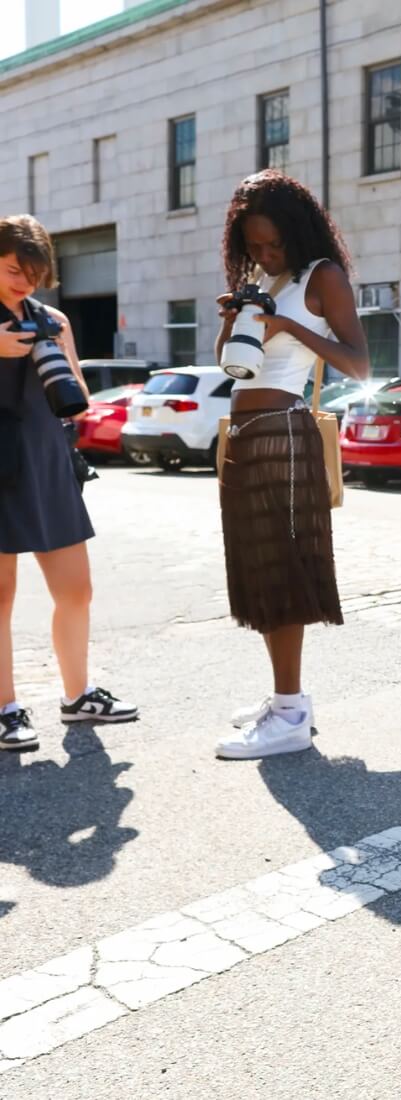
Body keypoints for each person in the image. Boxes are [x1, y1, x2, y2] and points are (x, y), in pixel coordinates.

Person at [213, 172, 369, 760]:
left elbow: (358, 363)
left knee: (280, 569)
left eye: (274, 244)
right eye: (254, 246)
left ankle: (290, 710)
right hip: (246, 435)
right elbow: (229, 362)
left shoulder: (321, 276)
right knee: (256, 567)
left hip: (283, 432)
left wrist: (287, 324)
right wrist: (238, 315)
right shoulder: (261, 279)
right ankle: (284, 701)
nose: (265, 254)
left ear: (297, 230)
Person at [0, 215, 137, 751]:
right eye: (14, 270)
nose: (25, 284)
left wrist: (50, 354)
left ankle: (78, 696)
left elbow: (77, 392)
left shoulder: (52, 318)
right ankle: (6, 708)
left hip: (47, 463)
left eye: (35, 274)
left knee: (77, 588)